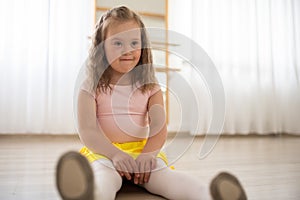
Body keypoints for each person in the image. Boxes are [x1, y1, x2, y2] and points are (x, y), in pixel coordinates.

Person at [56, 6, 247, 200]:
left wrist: (148, 155)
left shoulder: (150, 85)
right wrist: (114, 154)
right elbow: (88, 130)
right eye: (117, 43)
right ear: (101, 47)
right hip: (104, 152)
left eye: (134, 43)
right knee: (105, 176)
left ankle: (209, 195)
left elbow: (158, 126)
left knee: (166, 177)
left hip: (142, 151)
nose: (128, 50)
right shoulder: (90, 85)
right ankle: (90, 195)